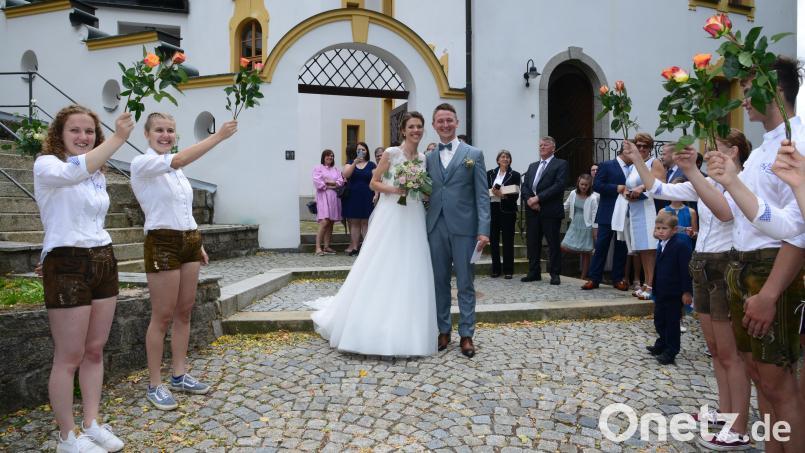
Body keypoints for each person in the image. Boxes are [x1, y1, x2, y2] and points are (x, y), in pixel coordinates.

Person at [681, 56, 805, 452]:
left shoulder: (795, 141)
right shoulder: (766, 148)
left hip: (770, 268)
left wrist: (769, 292)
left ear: (776, 89)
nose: (744, 101)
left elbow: (796, 231)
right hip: (744, 264)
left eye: (750, 92)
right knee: (759, 376)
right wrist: (723, 180)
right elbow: (738, 214)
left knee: (778, 383)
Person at [624, 133, 752, 449]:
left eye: (715, 150)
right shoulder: (704, 181)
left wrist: (695, 171)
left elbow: (726, 213)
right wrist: (638, 158)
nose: (708, 155)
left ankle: (739, 425)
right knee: (715, 347)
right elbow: (657, 188)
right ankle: (724, 412)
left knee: (730, 351)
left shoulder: (743, 181)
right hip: (703, 263)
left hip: (726, 263)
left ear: (733, 152)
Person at [35, 105, 134, 452]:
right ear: (59, 134)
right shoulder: (47, 165)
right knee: (69, 356)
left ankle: (92, 423)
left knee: (94, 350)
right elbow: (71, 175)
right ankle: (66, 437)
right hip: (67, 262)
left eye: (89, 131)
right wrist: (121, 137)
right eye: (75, 130)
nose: (83, 137)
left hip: (102, 257)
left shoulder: (97, 172)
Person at [308, 111, 437, 356]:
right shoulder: (391, 153)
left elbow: (422, 187)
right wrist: (397, 189)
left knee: (411, 265)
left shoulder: (422, 158)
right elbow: (374, 183)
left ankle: (409, 325)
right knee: (383, 262)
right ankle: (371, 323)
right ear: (403, 130)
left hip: (414, 214)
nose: (416, 130)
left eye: (419, 126)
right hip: (392, 212)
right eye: (411, 126)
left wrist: (421, 189)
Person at [131, 113, 237, 411]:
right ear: (147, 134)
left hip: (188, 240)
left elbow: (183, 208)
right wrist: (218, 137)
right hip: (162, 242)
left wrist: (197, 242)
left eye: (170, 131)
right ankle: (155, 384)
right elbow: (177, 160)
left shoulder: (176, 171)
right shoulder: (144, 164)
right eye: (159, 131)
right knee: (161, 316)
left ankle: (179, 374)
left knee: (184, 312)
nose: (165, 135)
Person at [426, 102, 490, 358]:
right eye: (440, 121)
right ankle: (443, 330)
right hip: (435, 226)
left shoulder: (474, 154)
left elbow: (482, 196)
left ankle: (466, 334)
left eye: (449, 120)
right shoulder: (428, 157)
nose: (445, 125)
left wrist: (483, 229)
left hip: (465, 228)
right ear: (434, 125)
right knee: (439, 282)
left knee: (465, 283)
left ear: (457, 122)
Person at [621, 133, 666, 300]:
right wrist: (627, 192)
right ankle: (647, 283)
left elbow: (660, 181)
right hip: (636, 209)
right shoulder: (633, 165)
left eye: (644, 146)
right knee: (642, 249)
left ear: (650, 148)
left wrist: (641, 188)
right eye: (638, 145)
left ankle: (652, 285)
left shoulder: (654, 162)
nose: (641, 149)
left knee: (650, 249)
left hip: (649, 208)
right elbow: (628, 185)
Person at [646, 211, 693, 365]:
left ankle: (671, 350)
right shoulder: (661, 244)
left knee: (672, 323)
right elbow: (658, 268)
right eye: (658, 228)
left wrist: (687, 291)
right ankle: (662, 343)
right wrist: (653, 286)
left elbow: (685, 270)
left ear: (673, 230)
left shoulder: (680, 245)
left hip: (674, 292)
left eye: (664, 228)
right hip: (661, 290)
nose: (660, 231)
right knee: (659, 320)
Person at [582, 148, 633, 290]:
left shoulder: (634, 168)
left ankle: (618, 278)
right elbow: (597, 185)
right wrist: (616, 187)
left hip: (625, 213)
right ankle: (594, 278)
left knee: (621, 247)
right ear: (625, 152)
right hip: (608, 212)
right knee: (601, 246)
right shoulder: (607, 165)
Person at [520, 136, 569, 285]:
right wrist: (529, 200)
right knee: (533, 242)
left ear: (553, 148)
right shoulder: (533, 166)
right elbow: (525, 185)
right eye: (540, 145)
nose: (541, 147)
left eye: (545, 145)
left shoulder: (561, 164)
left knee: (553, 243)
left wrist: (538, 198)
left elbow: (559, 185)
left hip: (550, 210)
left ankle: (555, 273)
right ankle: (534, 271)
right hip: (532, 211)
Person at [487, 150, 521, 279]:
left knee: (508, 241)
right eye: (502, 157)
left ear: (510, 160)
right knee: (494, 241)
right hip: (493, 209)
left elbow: (516, 193)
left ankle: (508, 270)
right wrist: (492, 192)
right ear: (498, 160)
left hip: (508, 210)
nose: (505, 159)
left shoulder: (515, 174)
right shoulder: (490, 174)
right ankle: (496, 269)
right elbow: (484, 189)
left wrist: (503, 196)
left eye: (507, 157)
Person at [341, 142, 376, 256]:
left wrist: (376, 194)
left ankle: (366, 247)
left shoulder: (371, 165)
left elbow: (376, 180)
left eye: (363, 149)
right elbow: (346, 175)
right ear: (356, 152)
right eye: (359, 150)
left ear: (367, 151)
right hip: (353, 196)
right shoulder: (350, 163)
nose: (361, 151)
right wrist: (355, 162)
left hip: (367, 195)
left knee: (366, 222)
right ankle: (355, 247)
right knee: (354, 222)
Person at [561, 174, 599, 280]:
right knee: (564, 245)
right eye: (582, 184)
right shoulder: (573, 193)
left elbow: (594, 214)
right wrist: (556, 212)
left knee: (586, 252)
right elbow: (566, 205)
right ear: (578, 183)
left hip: (587, 224)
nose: (583, 187)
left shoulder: (593, 197)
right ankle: (560, 269)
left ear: (590, 185)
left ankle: (583, 276)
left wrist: (594, 229)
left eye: (586, 185)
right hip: (575, 223)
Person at [312, 149, 344, 256]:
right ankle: (317, 247)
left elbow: (341, 182)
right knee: (324, 221)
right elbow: (318, 183)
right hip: (323, 197)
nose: (330, 157)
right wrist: (331, 184)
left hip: (334, 197)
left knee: (331, 222)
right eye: (328, 156)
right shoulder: (318, 168)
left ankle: (326, 246)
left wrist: (328, 182)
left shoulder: (336, 170)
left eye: (332, 156)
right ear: (323, 157)